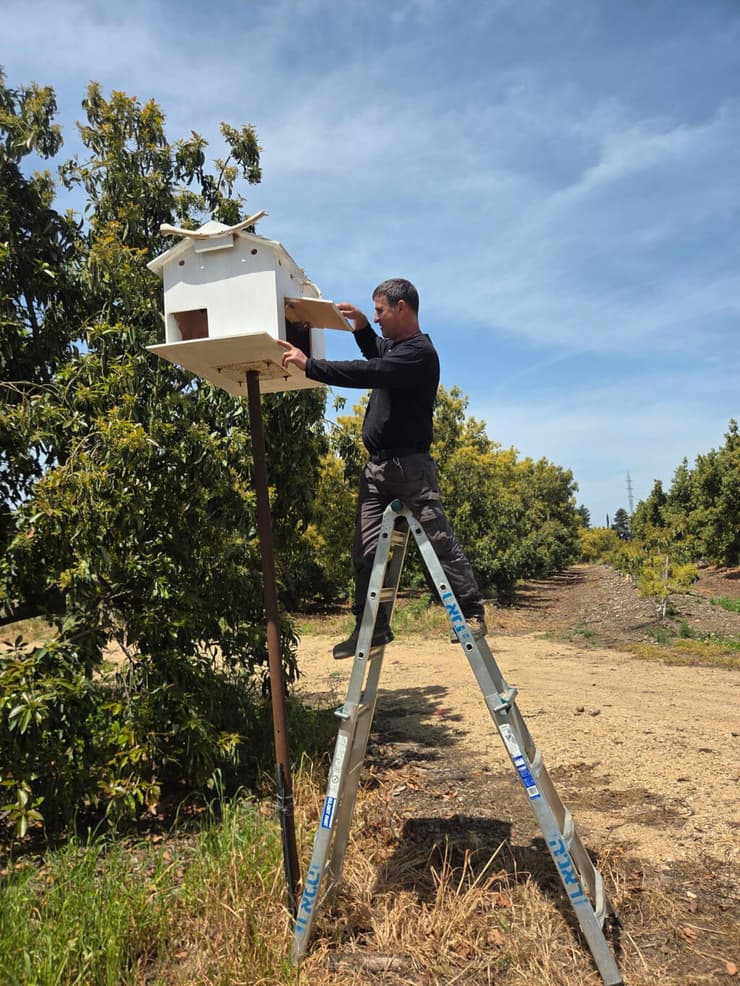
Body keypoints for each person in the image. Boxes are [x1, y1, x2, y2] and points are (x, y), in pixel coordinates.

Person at [277, 278, 487, 659]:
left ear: (401, 308)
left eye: (379, 311)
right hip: (376, 470)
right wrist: (360, 327)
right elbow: (377, 351)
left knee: (439, 542)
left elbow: (371, 370)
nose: (376, 318)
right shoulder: (396, 349)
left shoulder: (419, 353)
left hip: (411, 468)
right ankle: (369, 629)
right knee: (365, 549)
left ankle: (471, 613)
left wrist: (311, 366)